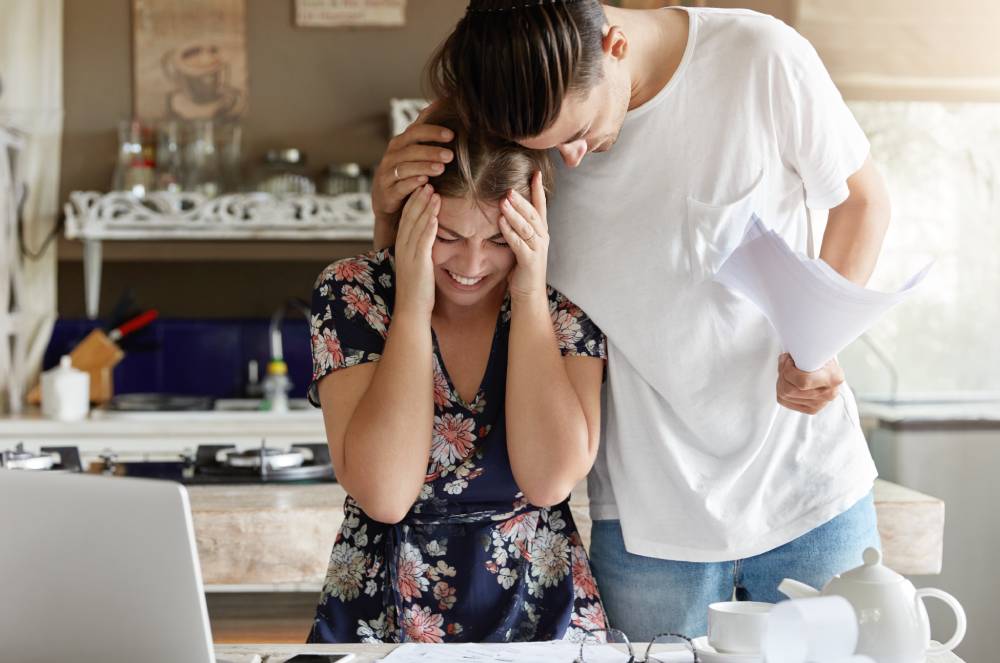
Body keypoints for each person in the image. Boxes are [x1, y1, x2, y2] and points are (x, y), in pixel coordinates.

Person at [371, 0, 892, 640]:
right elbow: (456, 262)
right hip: (647, 524)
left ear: (614, 47)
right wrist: (387, 209)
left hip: (808, 491)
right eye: (548, 147)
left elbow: (863, 202)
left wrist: (819, 334)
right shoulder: (508, 110)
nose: (571, 159)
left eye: (578, 130)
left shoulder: (759, 57)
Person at [306, 105, 609, 643]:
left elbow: (548, 482)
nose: (471, 265)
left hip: (538, 608)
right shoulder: (354, 293)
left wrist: (528, 294)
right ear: (410, 220)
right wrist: (412, 305)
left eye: (497, 240)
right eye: (446, 235)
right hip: (384, 607)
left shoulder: (564, 303)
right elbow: (385, 494)